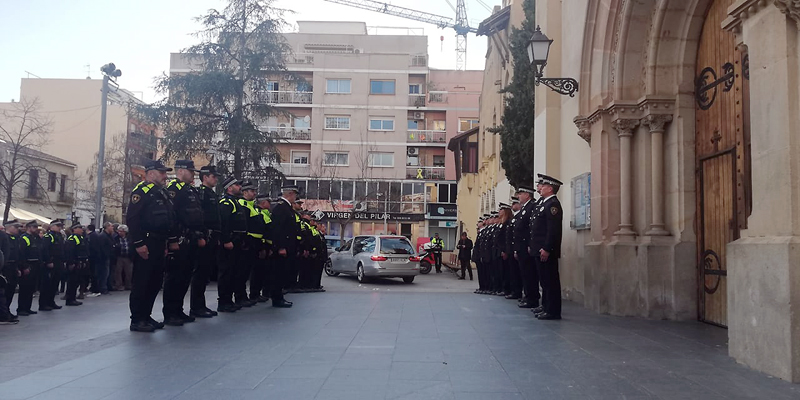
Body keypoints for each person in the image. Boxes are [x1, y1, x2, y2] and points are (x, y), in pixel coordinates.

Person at [126, 160, 175, 333]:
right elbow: (132, 219)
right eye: (162, 173)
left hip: (159, 242)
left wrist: (167, 242)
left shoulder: (161, 193)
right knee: (142, 282)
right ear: (151, 173)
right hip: (145, 243)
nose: (165, 176)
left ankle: (146, 315)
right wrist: (139, 244)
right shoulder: (141, 192)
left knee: (154, 282)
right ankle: (137, 319)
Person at [163, 160, 207, 326]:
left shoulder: (190, 190)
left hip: (191, 239)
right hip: (180, 239)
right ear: (181, 171)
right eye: (190, 171)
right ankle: (170, 312)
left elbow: (197, 215)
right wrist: (173, 239)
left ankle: (178, 310)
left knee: (184, 277)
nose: (193, 174)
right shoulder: (173, 189)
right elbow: (172, 217)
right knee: (174, 278)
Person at [531, 174, 564, 320]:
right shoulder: (544, 204)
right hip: (540, 249)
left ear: (550, 188)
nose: (540, 188)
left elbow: (553, 230)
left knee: (550, 281)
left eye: (543, 186)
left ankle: (553, 310)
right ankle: (545, 306)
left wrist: (547, 248)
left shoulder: (553, 205)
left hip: (546, 250)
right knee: (544, 280)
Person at [193, 165, 221, 318]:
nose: (215, 178)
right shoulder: (201, 193)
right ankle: (196, 306)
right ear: (205, 177)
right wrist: (202, 235)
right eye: (213, 176)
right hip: (206, 235)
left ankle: (200, 304)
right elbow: (200, 216)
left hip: (213, 236)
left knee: (205, 273)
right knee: (200, 272)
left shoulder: (211, 193)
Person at [217, 176, 247, 313]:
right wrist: (226, 240)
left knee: (234, 272)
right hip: (230, 242)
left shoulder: (236, 202)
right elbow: (223, 223)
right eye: (236, 185)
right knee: (226, 273)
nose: (239, 187)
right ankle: (223, 301)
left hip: (237, 243)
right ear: (229, 188)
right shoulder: (226, 203)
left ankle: (230, 300)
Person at [270, 185, 301, 308]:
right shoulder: (281, 208)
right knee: (278, 273)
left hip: (288, 247)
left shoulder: (287, 208)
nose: (295, 197)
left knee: (282, 273)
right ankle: (277, 298)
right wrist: (281, 247)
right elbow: (278, 230)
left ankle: (279, 296)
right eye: (295, 195)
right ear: (290, 194)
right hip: (282, 248)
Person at [514, 185, 540, 309]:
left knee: (530, 274)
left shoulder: (532, 207)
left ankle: (532, 298)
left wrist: (530, 244)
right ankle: (528, 296)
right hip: (521, 247)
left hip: (526, 246)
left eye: (520, 194)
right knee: (525, 273)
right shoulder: (525, 208)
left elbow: (531, 228)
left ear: (527, 195)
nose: (518, 196)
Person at [235, 181, 259, 308]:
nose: (254, 193)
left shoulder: (252, 205)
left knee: (246, 271)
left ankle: (243, 296)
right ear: (244, 192)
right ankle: (240, 296)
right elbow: (244, 225)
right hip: (246, 242)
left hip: (253, 243)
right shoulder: (242, 204)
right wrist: (244, 240)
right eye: (252, 191)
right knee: (241, 272)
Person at [249, 195, 273, 303]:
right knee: (257, 272)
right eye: (268, 202)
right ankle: (254, 294)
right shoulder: (260, 213)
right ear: (263, 203)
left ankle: (260, 293)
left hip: (266, 246)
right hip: (260, 245)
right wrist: (263, 246)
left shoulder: (266, 214)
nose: (270, 204)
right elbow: (264, 232)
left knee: (264, 272)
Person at [17, 221, 42, 315]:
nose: (36, 229)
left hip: (35, 265)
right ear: (28, 227)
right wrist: (24, 266)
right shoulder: (24, 238)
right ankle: (21, 309)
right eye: (34, 227)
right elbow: (22, 254)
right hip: (28, 265)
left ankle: (27, 307)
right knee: (25, 288)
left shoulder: (35, 238)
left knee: (31, 288)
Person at [40, 220, 65, 311]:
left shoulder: (59, 236)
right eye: (58, 226)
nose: (60, 227)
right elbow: (45, 250)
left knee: (54, 284)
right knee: (47, 284)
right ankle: (43, 304)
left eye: (60, 226)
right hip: (51, 262)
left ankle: (51, 301)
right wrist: (48, 261)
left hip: (58, 262)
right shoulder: (48, 236)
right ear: (52, 226)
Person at [64, 224, 89, 306]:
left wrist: (84, 260)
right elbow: (69, 252)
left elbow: (83, 250)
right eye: (80, 228)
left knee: (76, 281)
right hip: (74, 263)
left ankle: (73, 298)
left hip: (80, 263)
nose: (82, 230)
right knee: (72, 281)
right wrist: (71, 263)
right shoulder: (72, 238)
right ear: (75, 229)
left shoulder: (81, 238)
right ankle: (69, 299)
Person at [1, 220, 21, 322]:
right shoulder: (4, 238)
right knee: (5, 291)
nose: (18, 229)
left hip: (13, 267)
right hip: (6, 268)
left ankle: (7, 310)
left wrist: (17, 268)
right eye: (16, 227)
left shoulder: (16, 239)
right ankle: (3, 313)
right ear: (9, 227)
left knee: (11, 291)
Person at [505, 197, 523, 300]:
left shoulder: (519, 216)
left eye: (514, 203)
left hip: (517, 249)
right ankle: (515, 291)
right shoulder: (514, 218)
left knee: (518, 273)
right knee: (513, 273)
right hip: (513, 249)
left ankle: (519, 293)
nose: (512, 206)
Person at [113, 225, 133, 291]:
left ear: (125, 232)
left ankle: (128, 285)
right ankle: (118, 285)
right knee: (118, 272)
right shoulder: (116, 238)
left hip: (128, 257)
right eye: (118, 231)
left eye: (121, 231)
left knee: (129, 272)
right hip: (119, 257)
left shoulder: (129, 238)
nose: (119, 232)